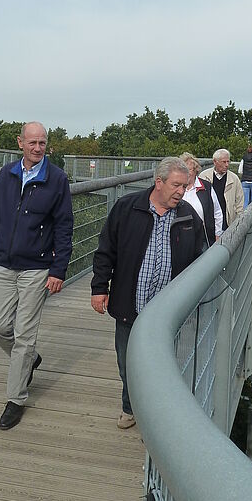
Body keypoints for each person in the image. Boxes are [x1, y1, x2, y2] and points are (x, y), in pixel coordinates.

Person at [90, 157, 204, 430]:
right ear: (159, 182)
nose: (180, 191)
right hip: (131, 305)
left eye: (184, 186)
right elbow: (106, 250)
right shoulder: (127, 208)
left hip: (168, 312)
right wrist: (99, 288)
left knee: (163, 366)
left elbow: (201, 259)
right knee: (127, 363)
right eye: (176, 185)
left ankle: (153, 420)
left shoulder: (188, 216)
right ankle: (130, 407)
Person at [0, 122, 74, 431]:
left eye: (42, 142)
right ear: (20, 143)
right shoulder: (7, 174)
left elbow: (64, 226)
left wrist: (58, 270)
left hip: (36, 268)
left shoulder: (56, 179)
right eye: (32, 142)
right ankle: (29, 360)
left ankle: (15, 399)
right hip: (3, 263)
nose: (37, 147)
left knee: (24, 335)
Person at [180, 152, 223, 247]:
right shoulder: (177, 188)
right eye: (183, 170)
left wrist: (217, 234)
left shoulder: (206, 187)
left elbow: (217, 212)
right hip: (180, 237)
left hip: (202, 238)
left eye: (189, 170)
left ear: (196, 171)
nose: (186, 173)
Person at [199, 149, 244, 230]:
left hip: (227, 221)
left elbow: (239, 201)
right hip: (209, 222)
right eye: (224, 162)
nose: (227, 165)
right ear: (215, 162)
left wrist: (238, 221)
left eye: (228, 162)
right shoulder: (204, 176)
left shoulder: (234, 179)